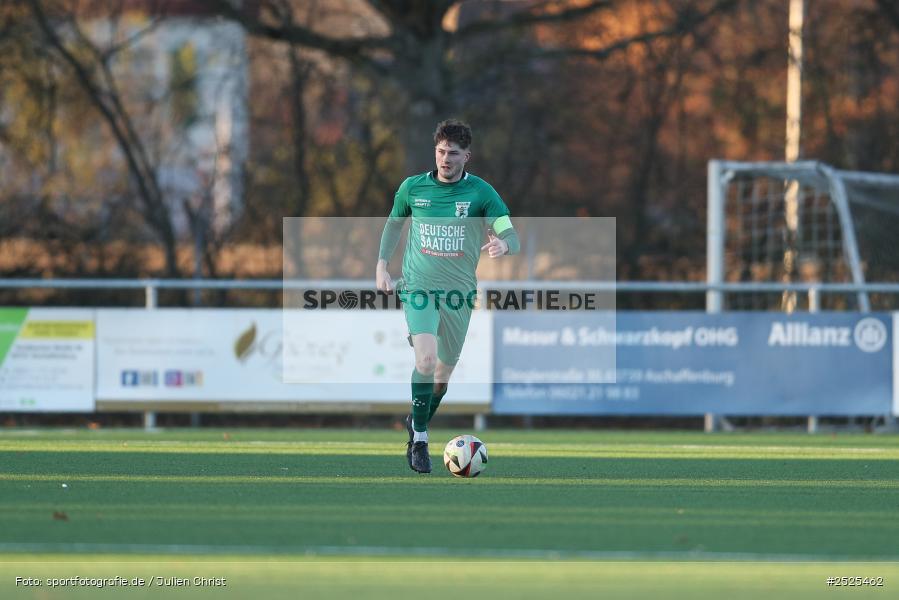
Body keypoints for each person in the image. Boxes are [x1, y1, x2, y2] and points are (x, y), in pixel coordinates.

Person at [375, 119, 520, 473]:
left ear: (466, 156)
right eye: (441, 152)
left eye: (453, 153)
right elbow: (394, 224)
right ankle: (420, 440)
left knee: (441, 377)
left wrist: (504, 242)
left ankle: (416, 419)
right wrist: (381, 265)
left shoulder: (481, 194)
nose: (445, 159)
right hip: (418, 290)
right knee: (425, 362)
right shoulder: (413, 188)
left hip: (458, 296)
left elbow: (510, 233)